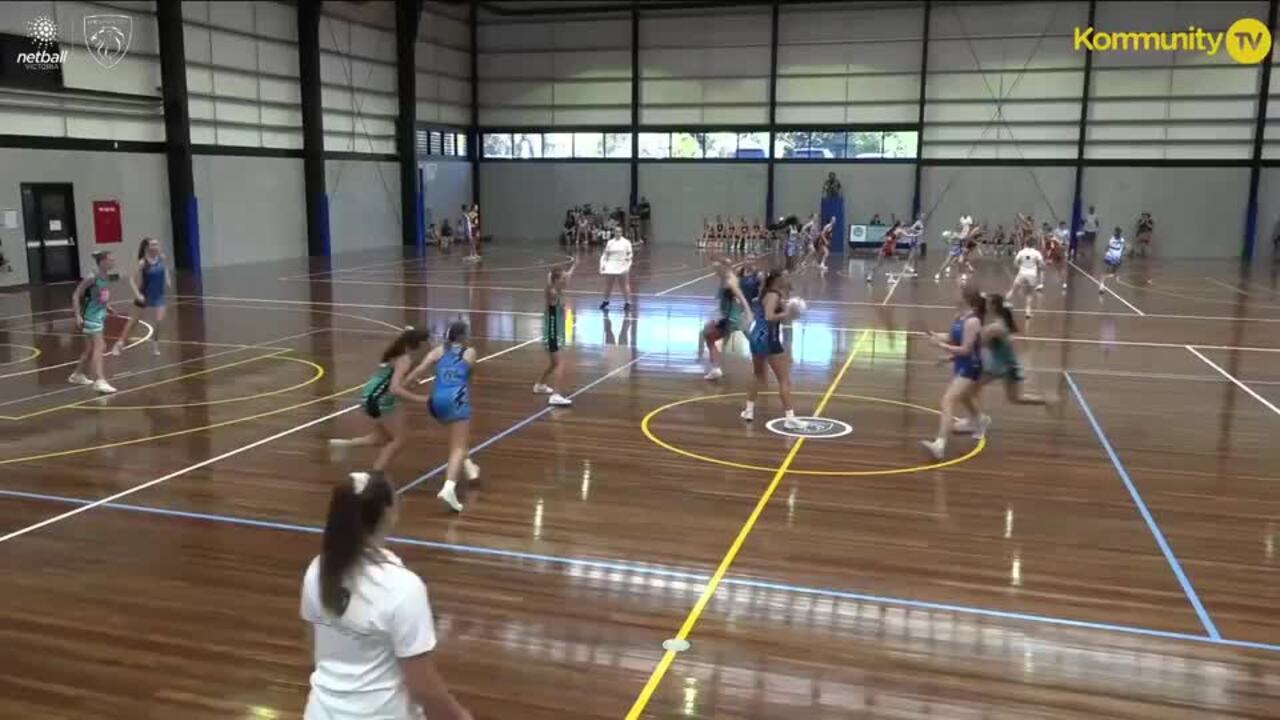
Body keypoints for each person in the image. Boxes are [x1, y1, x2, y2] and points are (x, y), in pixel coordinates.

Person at [301, 471, 473, 720]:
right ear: (387, 512)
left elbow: (315, 647)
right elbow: (423, 687)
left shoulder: (317, 570)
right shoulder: (403, 588)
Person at [328, 328, 432, 472]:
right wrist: (421, 399)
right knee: (399, 440)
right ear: (420, 343)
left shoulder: (397, 354)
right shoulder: (404, 359)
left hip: (371, 395)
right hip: (379, 398)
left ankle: (343, 445)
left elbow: (391, 380)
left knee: (379, 438)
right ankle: (375, 475)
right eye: (427, 340)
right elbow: (395, 388)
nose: (429, 344)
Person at [408, 321, 479, 513]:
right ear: (463, 336)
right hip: (457, 400)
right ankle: (449, 487)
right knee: (458, 447)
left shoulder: (438, 351)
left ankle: (470, 466)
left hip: (436, 401)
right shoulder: (470, 352)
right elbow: (468, 373)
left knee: (457, 441)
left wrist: (408, 383)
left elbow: (418, 370)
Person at [921, 288, 988, 460]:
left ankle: (940, 445)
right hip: (961, 364)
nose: (954, 295)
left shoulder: (973, 322)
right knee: (965, 397)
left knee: (948, 400)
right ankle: (980, 422)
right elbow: (952, 338)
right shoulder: (959, 317)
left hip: (971, 366)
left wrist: (942, 348)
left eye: (958, 294)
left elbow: (966, 349)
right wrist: (935, 335)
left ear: (967, 300)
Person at [974, 294, 1055, 408]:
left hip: (1003, 367)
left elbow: (977, 342)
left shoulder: (996, 327)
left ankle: (976, 419)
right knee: (1014, 398)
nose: (985, 305)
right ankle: (1046, 400)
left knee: (972, 388)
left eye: (987, 303)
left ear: (993, 306)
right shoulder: (998, 321)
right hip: (1004, 365)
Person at [742, 271, 799, 428]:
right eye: (786, 276)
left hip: (758, 337)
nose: (788, 278)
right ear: (778, 279)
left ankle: (749, 410)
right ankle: (789, 418)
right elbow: (769, 317)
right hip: (768, 338)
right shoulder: (773, 295)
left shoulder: (770, 293)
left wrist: (788, 311)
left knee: (758, 375)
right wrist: (787, 313)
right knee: (784, 379)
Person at [109, 237, 170, 357]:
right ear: (147, 247)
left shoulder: (162, 258)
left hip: (159, 295)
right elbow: (131, 279)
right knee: (133, 321)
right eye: (153, 244)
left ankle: (155, 345)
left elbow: (165, 268)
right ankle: (119, 344)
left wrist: (168, 278)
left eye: (157, 244)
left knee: (159, 322)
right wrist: (137, 294)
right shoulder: (143, 262)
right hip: (145, 294)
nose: (156, 246)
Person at [69, 250, 118, 394]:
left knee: (90, 347)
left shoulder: (105, 276)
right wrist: (77, 315)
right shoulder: (92, 277)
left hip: (99, 314)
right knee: (100, 346)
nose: (113, 262)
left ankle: (77, 375)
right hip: (91, 316)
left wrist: (107, 307)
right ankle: (99, 380)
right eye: (110, 259)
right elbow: (76, 294)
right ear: (102, 262)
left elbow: (98, 295)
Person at [702, 258, 755, 381]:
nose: (714, 272)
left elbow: (740, 297)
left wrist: (748, 313)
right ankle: (761, 358)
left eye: (716, 270)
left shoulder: (730, 282)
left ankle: (716, 368)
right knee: (748, 336)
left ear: (723, 268)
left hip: (730, 318)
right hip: (732, 315)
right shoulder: (728, 277)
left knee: (708, 335)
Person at [534, 260, 576, 407]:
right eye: (563, 279)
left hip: (556, 330)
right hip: (552, 331)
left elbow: (565, 277)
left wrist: (574, 266)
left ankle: (539, 385)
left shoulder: (556, 288)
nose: (566, 281)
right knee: (560, 363)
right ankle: (556, 395)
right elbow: (553, 284)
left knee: (553, 363)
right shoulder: (552, 292)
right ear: (556, 280)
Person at [1006, 238, 1045, 319]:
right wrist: (1039, 266)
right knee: (1029, 294)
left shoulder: (1022, 252)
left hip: (1022, 273)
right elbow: (1041, 264)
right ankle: (1028, 312)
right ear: (1034, 244)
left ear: (1026, 243)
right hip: (1032, 275)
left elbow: (1015, 262)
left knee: (1013, 290)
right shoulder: (1036, 253)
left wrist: (1019, 267)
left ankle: (1004, 303)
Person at [599, 229, 634, 313]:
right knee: (608, 285)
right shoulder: (610, 242)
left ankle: (627, 302)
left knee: (624, 285)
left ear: (621, 233)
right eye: (616, 231)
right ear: (614, 233)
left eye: (619, 232)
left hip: (622, 265)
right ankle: (605, 301)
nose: (618, 233)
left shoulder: (626, 242)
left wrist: (628, 260)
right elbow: (605, 254)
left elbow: (630, 254)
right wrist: (602, 265)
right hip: (611, 265)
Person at [1100, 226, 1126, 295]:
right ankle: (1102, 285)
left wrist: (1121, 256)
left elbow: (1123, 248)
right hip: (1111, 257)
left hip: (1115, 257)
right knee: (1107, 271)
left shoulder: (1121, 240)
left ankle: (1102, 284)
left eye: (1118, 232)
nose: (1116, 233)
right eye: (1116, 231)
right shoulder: (1113, 239)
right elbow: (1109, 247)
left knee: (1112, 273)